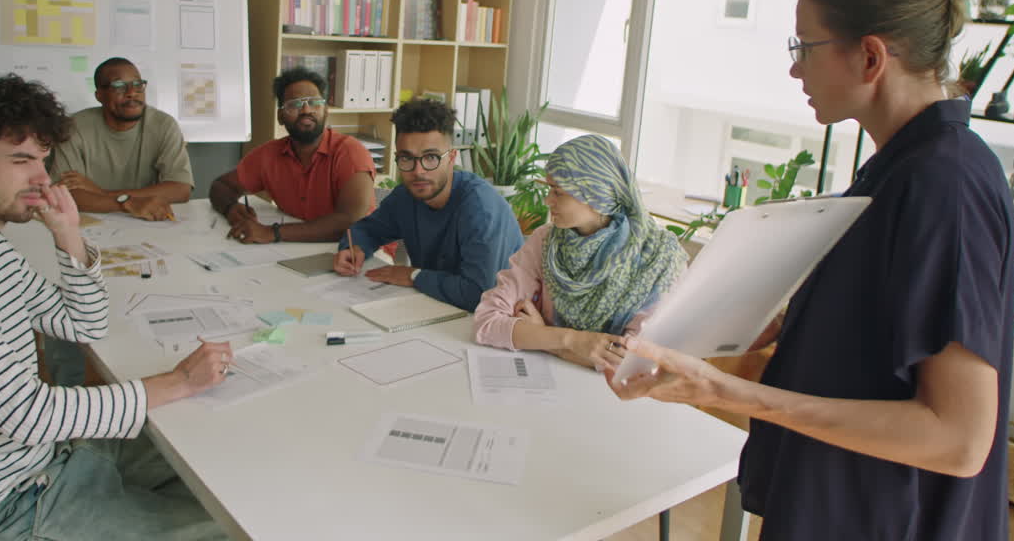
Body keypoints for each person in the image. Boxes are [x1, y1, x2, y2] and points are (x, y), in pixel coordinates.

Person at [610, 0, 1014, 540]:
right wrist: (691, 339)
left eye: (804, 45)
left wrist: (731, 393)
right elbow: (865, 339)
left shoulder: (945, 185)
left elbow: (958, 440)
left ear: (871, 57)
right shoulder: (896, 169)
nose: (794, 67)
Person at [0, 75, 231, 540]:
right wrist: (179, 381)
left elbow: (83, 324)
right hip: (0, 510)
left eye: (43, 160)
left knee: (216, 462)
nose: (43, 179)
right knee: (228, 527)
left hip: (42, 461)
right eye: (21, 160)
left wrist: (68, 234)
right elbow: (28, 414)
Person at [473, 134, 688, 371]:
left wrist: (543, 337)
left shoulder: (660, 257)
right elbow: (486, 322)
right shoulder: (546, 241)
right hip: (551, 379)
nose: (547, 201)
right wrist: (573, 341)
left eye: (557, 192)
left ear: (595, 195)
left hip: (617, 393)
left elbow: (633, 363)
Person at [334, 97, 523, 311]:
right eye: (407, 158)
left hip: (499, 317)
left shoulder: (480, 208)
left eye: (431, 157)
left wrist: (414, 275)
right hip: (438, 307)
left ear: (451, 158)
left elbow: (479, 293)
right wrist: (354, 248)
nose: (418, 171)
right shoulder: (406, 196)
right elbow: (368, 230)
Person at [209, 67, 376, 243]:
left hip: (362, 248)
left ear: (326, 110)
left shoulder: (349, 152)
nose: (306, 110)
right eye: (295, 104)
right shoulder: (269, 155)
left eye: (314, 102)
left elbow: (350, 222)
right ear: (280, 116)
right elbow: (221, 186)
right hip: (300, 248)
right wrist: (230, 208)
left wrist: (272, 233)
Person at [50, 57, 193, 222]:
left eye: (138, 84)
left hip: (147, 222)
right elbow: (65, 194)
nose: (132, 92)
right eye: (118, 86)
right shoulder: (73, 127)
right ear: (99, 95)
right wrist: (127, 203)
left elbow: (180, 189)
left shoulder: (163, 125)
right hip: (87, 224)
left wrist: (101, 193)